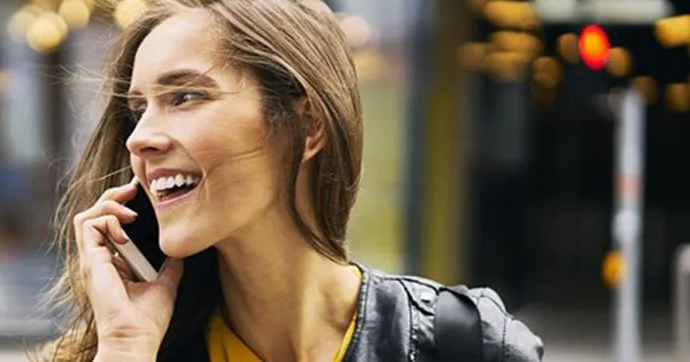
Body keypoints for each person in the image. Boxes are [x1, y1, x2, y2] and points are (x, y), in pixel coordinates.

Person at [37, 0, 544, 361]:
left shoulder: (464, 344)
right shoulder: (127, 346)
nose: (138, 139)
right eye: (138, 110)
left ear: (309, 125)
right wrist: (127, 347)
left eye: (186, 97)